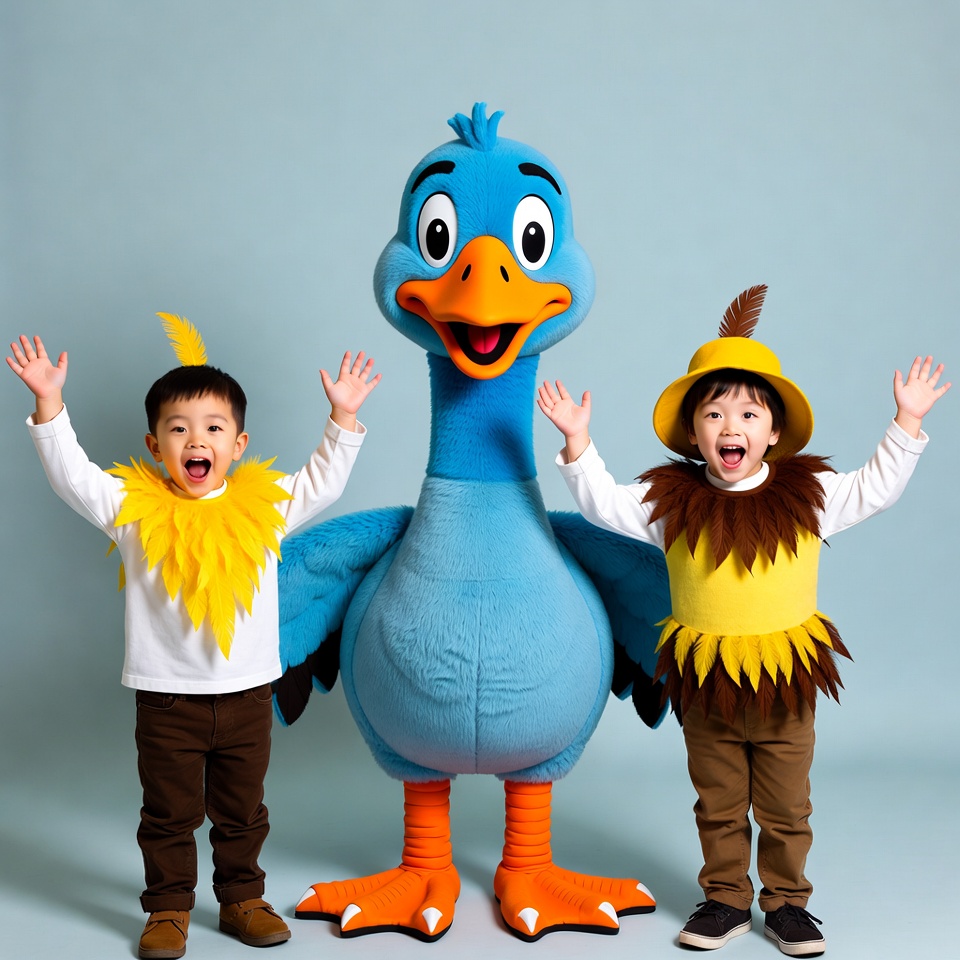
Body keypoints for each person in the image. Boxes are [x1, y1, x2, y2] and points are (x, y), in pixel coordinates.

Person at [537, 285, 949, 957]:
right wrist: (578, 442)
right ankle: (725, 898)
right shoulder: (670, 503)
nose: (732, 426)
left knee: (786, 806)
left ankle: (786, 905)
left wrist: (905, 423)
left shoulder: (808, 497)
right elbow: (606, 505)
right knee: (718, 800)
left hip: (785, 683)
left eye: (749, 413)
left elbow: (875, 488)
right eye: (715, 413)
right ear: (694, 433)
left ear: (773, 433)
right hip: (707, 684)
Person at [6, 319, 381, 960]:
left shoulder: (266, 508)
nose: (196, 440)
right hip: (166, 701)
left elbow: (323, 481)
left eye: (213, 428)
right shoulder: (132, 510)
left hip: (248, 698)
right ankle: (169, 908)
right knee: (168, 815)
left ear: (238, 444)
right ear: (155, 446)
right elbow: (73, 476)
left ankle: (242, 899)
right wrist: (49, 402)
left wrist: (343, 416)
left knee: (244, 811)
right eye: (179, 430)